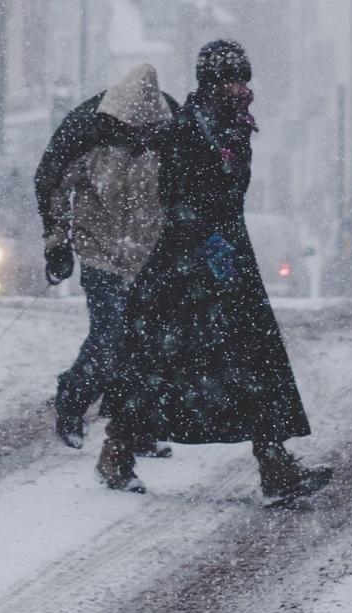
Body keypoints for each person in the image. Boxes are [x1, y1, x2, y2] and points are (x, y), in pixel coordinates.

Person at [97, 40, 332, 503]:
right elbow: (174, 196)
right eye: (229, 79)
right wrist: (203, 238)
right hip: (183, 265)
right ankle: (118, 449)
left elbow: (229, 198)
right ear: (209, 83)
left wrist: (222, 247)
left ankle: (275, 464)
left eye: (243, 78)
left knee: (255, 365)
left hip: (228, 264)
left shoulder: (235, 130)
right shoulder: (186, 130)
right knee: (158, 363)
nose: (239, 89)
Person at [35, 63, 176, 452]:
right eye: (134, 131)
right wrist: (57, 243)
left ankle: (136, 429)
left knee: (148, 345)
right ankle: (72, 402)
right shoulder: (86, 132)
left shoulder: (171, 132)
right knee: (109, 339)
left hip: (149, 255)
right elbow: (52, 186)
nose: (139, 137)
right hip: (100, 252)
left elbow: (188, 191)